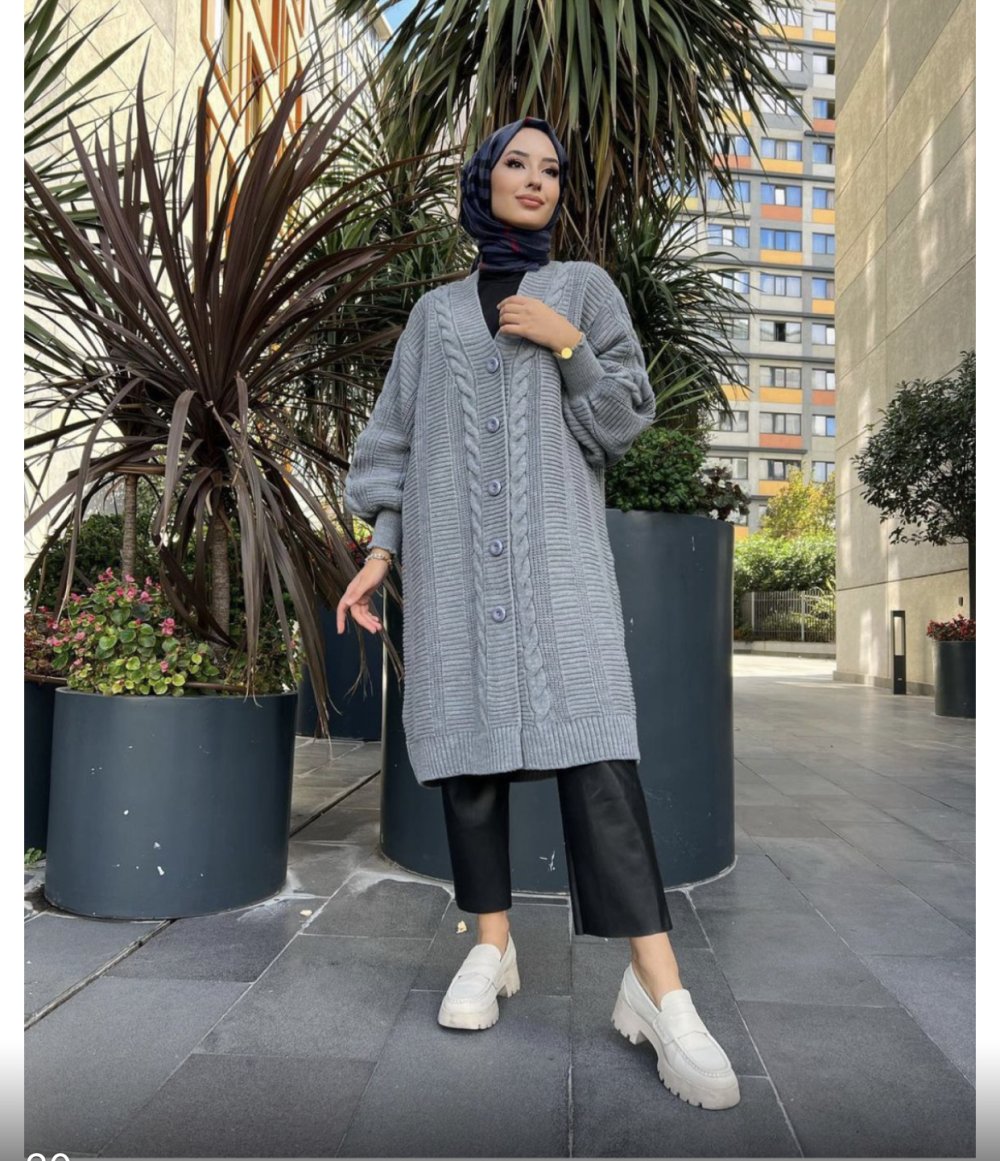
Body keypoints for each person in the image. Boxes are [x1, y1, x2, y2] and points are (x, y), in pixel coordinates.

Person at [337, 117, 739, 1110]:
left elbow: (623, 422)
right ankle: (491, 947)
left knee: (600, 762)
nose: (535, 180)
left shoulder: (584, 291)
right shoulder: (433, 316)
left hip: (560, 574)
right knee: (468, 765)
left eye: (550, 169)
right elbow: (395, 444)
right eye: (515, 163)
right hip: (451, 575)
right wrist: (379, 553)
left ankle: (660, 990)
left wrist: (569, 346)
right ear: (483, 180)